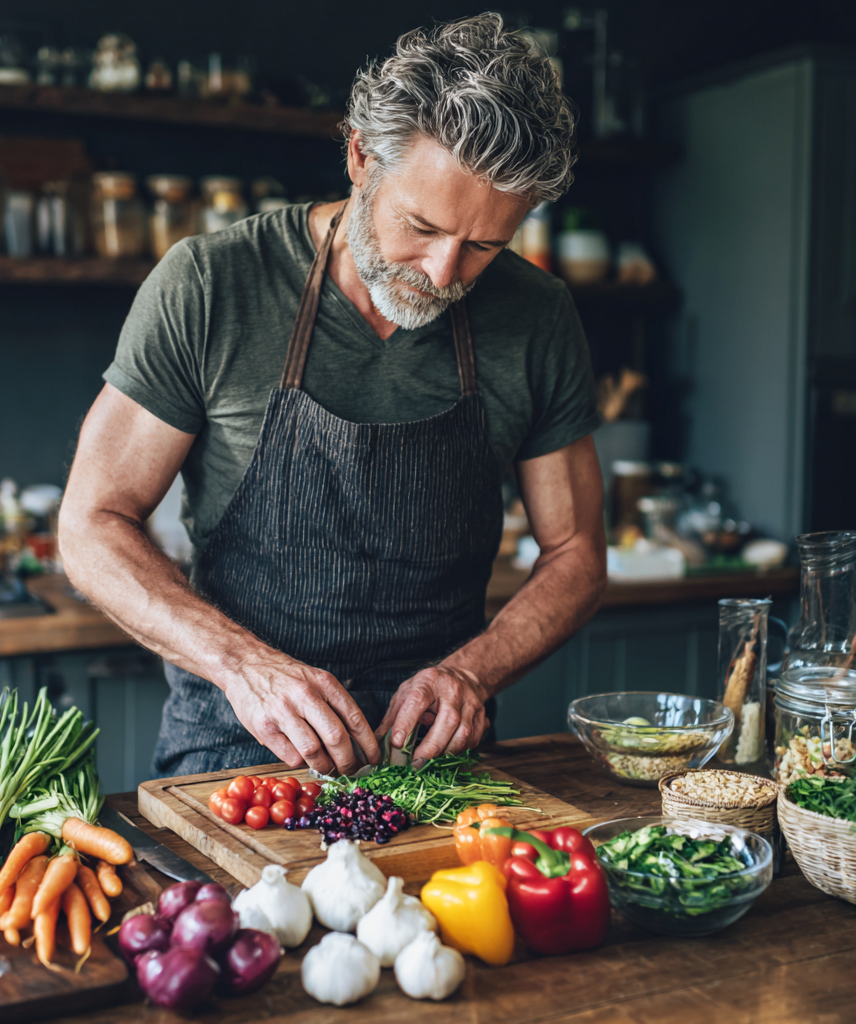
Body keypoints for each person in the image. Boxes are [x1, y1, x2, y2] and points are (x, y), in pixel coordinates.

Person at [59, 13, 607, 778]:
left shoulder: (537, 317)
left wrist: (473, 674)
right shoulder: (212, 285)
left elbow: (576, 553)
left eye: (485, 245)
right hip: (237, 747)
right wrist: (245, 667)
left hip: (434, 758)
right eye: (421, 225)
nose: (445, 272)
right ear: (358, 156)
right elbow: (91, 524)